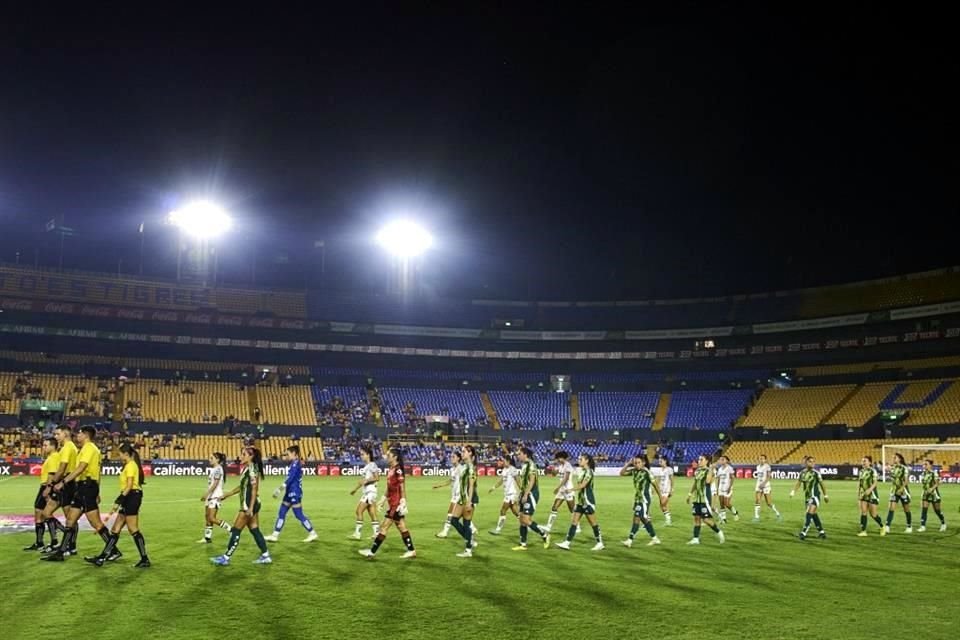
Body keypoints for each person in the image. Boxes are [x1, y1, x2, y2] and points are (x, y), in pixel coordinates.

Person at [42, 426, 113, 561]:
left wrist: (63, 482)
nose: (77, 436)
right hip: (83, 487)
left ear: (85, 435)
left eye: (79, 434)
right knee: (70, 520)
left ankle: (113, 549)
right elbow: (98, 472)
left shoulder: (89, 448)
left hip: (86, 487)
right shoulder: (87, 449)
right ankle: (61, 552)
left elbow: (81, 468)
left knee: (95, 523)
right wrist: (98, 490)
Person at [84, 442, 150, 568]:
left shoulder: (131, 465)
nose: (119, 456)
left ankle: (144, 559)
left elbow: (130, 485)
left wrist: (119, 499)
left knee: (133, 529)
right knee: (115, 529)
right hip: (129, 496)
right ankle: (102, 557)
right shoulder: (128, 465)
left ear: (126, 454)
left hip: (132, 497)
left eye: (120, 454)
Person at [210, 446, 272, 565]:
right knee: (254, 529)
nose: (241, 456)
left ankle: (225, 558)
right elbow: (242, 487)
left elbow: (254, 489)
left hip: (248, 505)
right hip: (252, 504)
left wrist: (250, 508)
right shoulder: (247, 469)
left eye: (244, 454)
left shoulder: (253, 470)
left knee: (235, 530)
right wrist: (227, 494)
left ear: (251, 456)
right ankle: (265, 555)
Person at [359, 448, 416, 559]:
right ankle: (411, 550)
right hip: (392, 503)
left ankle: (371, 552)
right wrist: (383, 499)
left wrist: (403, 500)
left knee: (383, 527)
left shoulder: (398, 469)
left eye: (389, 455)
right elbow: (390, 487)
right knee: (401, 526)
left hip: (396, 504)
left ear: (395, 457)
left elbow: (402, 486)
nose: (386, 456)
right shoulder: (391, 468)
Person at [265, 445, 318, 543]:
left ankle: (312, 533)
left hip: (294, 493)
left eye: (288, 454)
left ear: (294, 453)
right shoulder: (294, 463)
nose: (287, 456)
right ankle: (275, 535)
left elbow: (290, 479)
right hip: (289, 492)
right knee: (281, 513)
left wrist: (279, 489)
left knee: (298, 514)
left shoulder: (295, 464)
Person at [38, 425, 78, 553]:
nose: (56, 436)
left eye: (57, 434)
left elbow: (62, 469)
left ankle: (71, 546)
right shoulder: (65, 448)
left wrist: (50, 485)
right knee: (46, 512)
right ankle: (61, 540)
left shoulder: (68, 447)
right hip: (63, 483)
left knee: (70, 518)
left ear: (65, 434)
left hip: (67, 483)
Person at [555, 453, 604, 551]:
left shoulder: (589, 472)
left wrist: (570, 490)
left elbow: (583, 485)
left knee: (593, 523)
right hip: (581, 502)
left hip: (588, 502)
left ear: (587, 461)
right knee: (574, 521)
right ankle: (567, 543)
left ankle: (600, 543)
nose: (579, 460)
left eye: (581, 459)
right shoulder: (582, 471)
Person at [24, 437, 60, 551]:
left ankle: (54, 540)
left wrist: (48, 489)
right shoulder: (51, 457)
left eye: (45, 445)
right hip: (45, 486)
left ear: (53, 446)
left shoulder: (54, 457)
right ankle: (40, 542)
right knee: (39, 513)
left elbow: (52, 474)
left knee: (44, 513)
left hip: (47, 487)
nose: (43, 447)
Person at [512, 447, 550, 551]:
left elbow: (532, 481)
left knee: (526, 519)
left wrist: (526, 494)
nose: (518, 456)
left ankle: (544, 534)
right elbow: (525, 482)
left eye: (519, 454)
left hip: (531, 494)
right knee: (521, 519)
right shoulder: (525, 465)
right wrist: (521, 493)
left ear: (525, 454)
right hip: (525, 493)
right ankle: (523, 544)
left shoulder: (531, 465)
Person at [620, 453, 662, 548]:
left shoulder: (647, 472)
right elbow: (621, 473)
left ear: (643, 463)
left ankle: (630, 540)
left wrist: (661, 498)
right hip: (637, 498)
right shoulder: (634, 471)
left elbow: (656, 485)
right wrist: (628, 464)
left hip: (644, 499)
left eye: (638, 462)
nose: (636, 464)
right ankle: (655, 538)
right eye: (635, 463)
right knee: (643, 518)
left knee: (637, 517)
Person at [432, 451, 475, 538]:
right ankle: (472, 528)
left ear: (458, 458)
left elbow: (469, 475)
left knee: (451, 513)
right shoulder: (453, 469)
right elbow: (450, 480)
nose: (451, 458)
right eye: (451, 457)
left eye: (453, 457)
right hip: (454, 495)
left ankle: (445, 532)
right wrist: (439, 485)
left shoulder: (461, 468)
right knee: (460, 515)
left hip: (460, 495)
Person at [685, 454, 725, 545]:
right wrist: (689, 494)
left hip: (705, 499)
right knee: (696, 518)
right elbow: (695, 483)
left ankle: (719, 532)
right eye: (699, 459)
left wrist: (711, 468)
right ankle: (696, 539)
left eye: (701, 459)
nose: (699, 461)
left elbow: (707, 482)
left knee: (706, 520)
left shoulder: (709, 471)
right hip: (697, 499)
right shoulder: (697, 471)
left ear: (707, 461)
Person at [449, 445, 479, 557]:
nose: (462, 453)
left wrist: (469, 502)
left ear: (470, 453)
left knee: (466, 524)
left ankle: (468, 549)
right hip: (462, 498)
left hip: (467, 499)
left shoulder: (470, 467)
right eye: (462, 451)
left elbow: (471, 486)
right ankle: (469, 540)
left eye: (464, 451)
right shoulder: (466, 466)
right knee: (454, 520)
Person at [790, 455, 828, 540]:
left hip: (815, 497)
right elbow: (799, 482)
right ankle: (821, 532)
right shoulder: (802, 473)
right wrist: (793, 491)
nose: (812, 463)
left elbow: (822, 485)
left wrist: (825, 495)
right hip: (807, 497)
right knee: (813, 515)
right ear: (806, 462)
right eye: (810, 461)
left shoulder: (816, 473)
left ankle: (803, 533)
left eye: (813, 461)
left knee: (808, 514)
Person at [199, 452, 232, 543]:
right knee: (207, 517)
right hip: (210, 496)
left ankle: (231, 530)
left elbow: (215, 483)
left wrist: (206, 494)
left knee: (212, 518)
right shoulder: (214, 469)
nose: (210, 459)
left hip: (215, 496)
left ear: (217, 460)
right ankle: (207, 538)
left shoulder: (218, 469)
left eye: (211, 458)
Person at [349, 446, 381, 540]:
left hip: (370, 492)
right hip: (369, 492)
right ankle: (376, 533)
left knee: (358, 511)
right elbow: (363, 482)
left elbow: (377, 477)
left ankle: (357, 534)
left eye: (363, 454)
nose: (361, 456)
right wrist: (355, 489)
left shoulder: (372, 465)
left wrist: (366, 480)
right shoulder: (367, 466)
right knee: (372, 513)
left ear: (368, 455)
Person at [545, 451, 577, 533]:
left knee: (572, 509)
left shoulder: (568, 466)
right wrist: (551, 469)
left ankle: (577, 526)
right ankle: (548, 526)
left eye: (559, 458)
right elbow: (554, 474)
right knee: (554, 507)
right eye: (557, 458)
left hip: (568, 490)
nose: (558, 459)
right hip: (562, 490)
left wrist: (557, 488)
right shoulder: (560, 466)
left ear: (563, 458)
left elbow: (566, 478)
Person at [488, 456, 520, 535]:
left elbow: (518, 480)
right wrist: (493, 487)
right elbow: (501, 480)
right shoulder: (504, 470)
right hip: (508, 493)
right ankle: (526, 524)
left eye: (504, 461)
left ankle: (498, 529)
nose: (503, 462)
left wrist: (522, 490)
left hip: (511, 494)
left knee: (503, 510)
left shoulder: (512, 469)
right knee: (515, 512)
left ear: (508, 461)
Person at [857, 455, 885, 537]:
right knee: (863, 512)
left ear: (869, 462)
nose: (863, 462)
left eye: (865, 461)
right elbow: (860, 483)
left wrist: (870, 490)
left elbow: (875, 482)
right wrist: (858, 494)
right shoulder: (861, 471)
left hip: (872, 495)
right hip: (863, 495)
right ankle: (863, 531)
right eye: (862, 461)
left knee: (873, 514)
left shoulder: (873, 471)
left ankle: (882, 527)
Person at [884, 452, 913, 533]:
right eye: (893, 458)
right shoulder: (893, 468)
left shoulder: (904, 468)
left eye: (895, 458)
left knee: (906, 509)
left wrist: (901, 489)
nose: (893, 459)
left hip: (903, 491)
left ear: (899, 459)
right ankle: (887, 526)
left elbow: (906, 480)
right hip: (894, 491)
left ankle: (909, 526)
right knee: (891, 508)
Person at [919, 459, 946, 533]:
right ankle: (922, 526)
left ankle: (943, 523)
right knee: (924, 510)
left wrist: (931, 488)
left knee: (937, 510)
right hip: (926, 494)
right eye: (924, 464)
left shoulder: (934, 473)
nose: (924, 466)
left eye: (926, 464)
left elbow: (938, 483)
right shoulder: (923, 474)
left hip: (934, 494)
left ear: (930, 465)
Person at [752, 454, 782, 522]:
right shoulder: (757, 467)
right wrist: (760, 483)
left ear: (765, 460)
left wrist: (763, 483)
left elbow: (769, 476)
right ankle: (756, 517)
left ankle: (778, 514)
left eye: (762, 459)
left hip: (766, 486)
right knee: (757, 500)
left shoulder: (767, 466)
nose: (761, 460)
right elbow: (759, 476)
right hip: (759, 485)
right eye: (760, 458)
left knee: (768, 503)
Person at [714, 455, 739, 523]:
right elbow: (718, 479)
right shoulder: (719, 469)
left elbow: (732, 478)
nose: (721, 461)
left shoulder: (729, 468)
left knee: (727, 503)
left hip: (727, 488)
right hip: (721, 488)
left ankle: (735, 512)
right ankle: (724, 519)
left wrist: (729, 487)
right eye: (721, 459)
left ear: (727, 461)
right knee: (721, 504)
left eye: (723, 459)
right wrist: (717, 488)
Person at [657, 454, 674, 526]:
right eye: (659, 461)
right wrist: (655, 489)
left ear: (665, 461)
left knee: (662, 504)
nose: (660, 461)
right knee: (663, 506)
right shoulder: (661, 470)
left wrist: (672, 489)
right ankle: (668, 520)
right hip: (661, 490)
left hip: (667, 490)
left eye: (661, 460)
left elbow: (672, 480)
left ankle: (668, 519)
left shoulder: (669, 469)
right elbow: (658, 480)